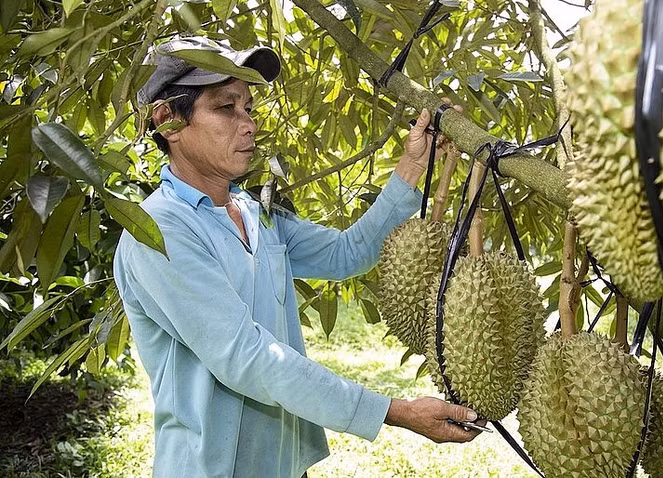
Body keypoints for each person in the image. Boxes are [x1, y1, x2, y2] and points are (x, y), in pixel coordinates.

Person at [112, 36, 482, 477]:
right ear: (168, 121)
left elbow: (350, 253)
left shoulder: (256, 213)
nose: (247, 123)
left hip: (286, 465)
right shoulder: (157, 231)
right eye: (226, 108)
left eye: (248, 107)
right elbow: (247, 357)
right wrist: (395, 411)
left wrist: (412, 166)